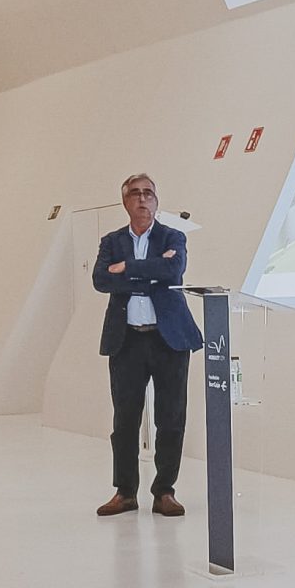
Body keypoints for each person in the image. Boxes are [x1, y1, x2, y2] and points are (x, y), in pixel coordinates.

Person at [93, 174, 203, 516]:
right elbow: (101, 279)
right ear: (125, 201)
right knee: (125, 420)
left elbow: (173, 270)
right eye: (135, 193)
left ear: (156, 200)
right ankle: (125, 492)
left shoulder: (173, 236)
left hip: (168, 339)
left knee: (170, 419)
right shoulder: (111, 241)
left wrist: (127, 268)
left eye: (149, 193)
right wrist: (149, 273)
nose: (143, 199)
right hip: (126, 340)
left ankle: (164, 491)